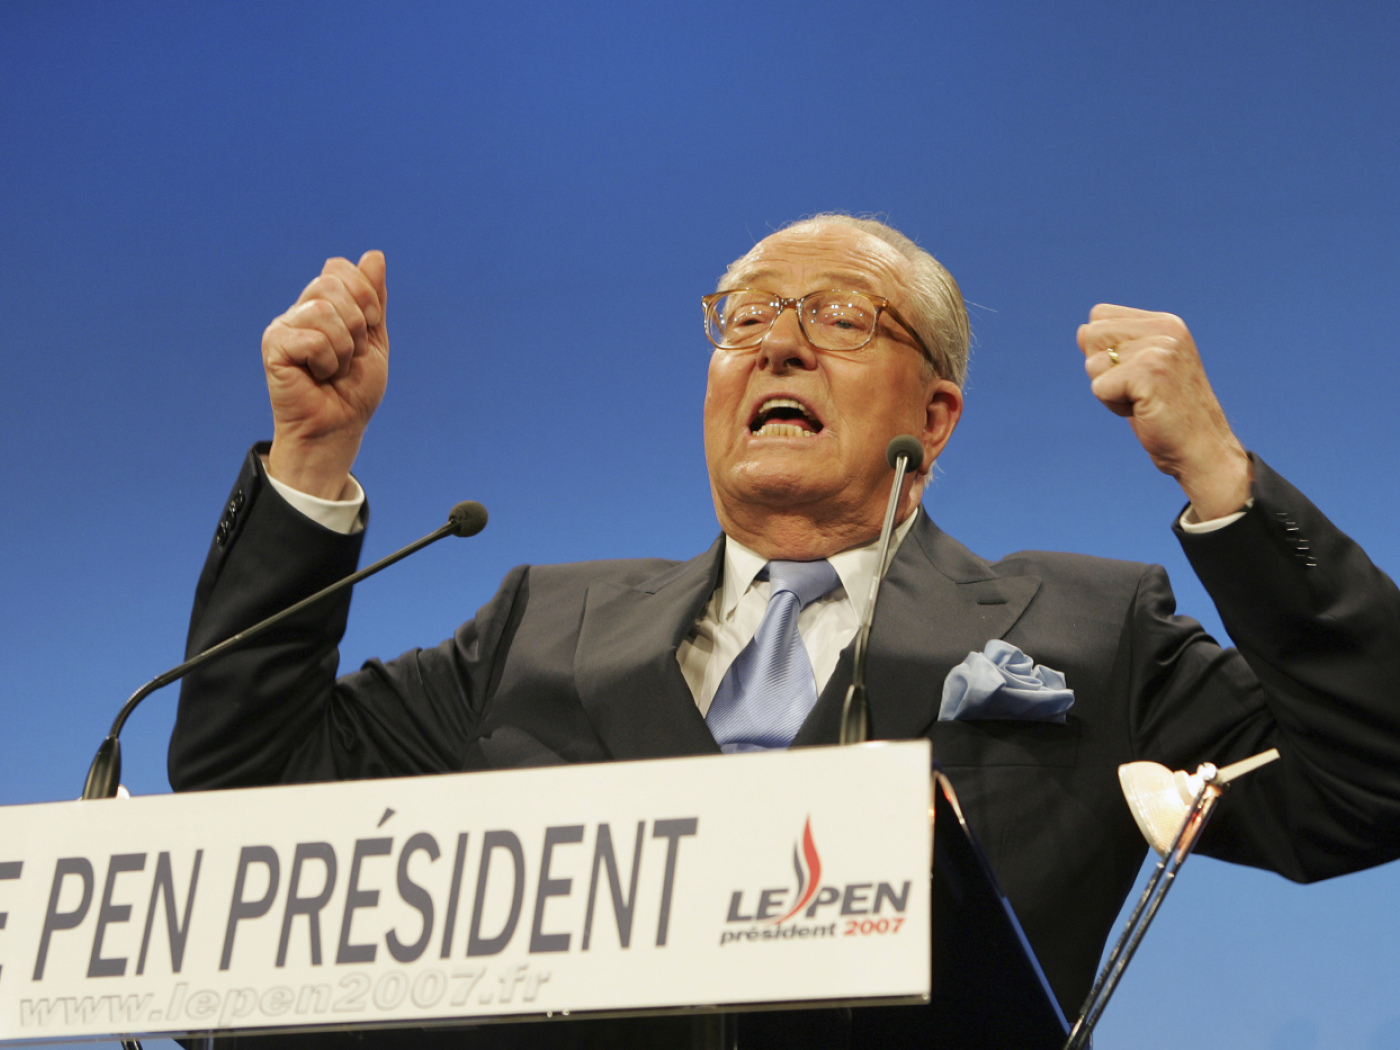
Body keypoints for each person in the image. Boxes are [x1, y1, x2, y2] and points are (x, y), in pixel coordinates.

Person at [170, 215, 1400, 1047]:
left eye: (841, 318)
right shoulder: (540, 624)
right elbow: (245, 805)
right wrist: (311, 458)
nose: (778, 343)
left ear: (936, 414)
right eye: (744, 316)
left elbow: (1367, 785)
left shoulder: (1086, 627)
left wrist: (1217, 476)